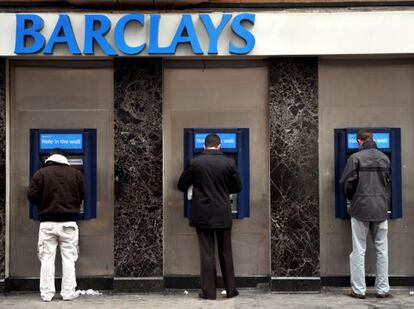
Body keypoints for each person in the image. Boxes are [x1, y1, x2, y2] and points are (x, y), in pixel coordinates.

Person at [178, 133, 242, 300]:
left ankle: (209, 292)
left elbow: (181, 184)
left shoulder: (195, 162)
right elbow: (238, 187)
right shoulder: (229, 162)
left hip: (203, 214)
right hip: (223, 212)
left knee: (207, 253)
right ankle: (230, 290)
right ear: (219, 145)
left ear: (204, 146)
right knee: (226, 252)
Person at [27, 148, 85, 302]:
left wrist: (43, 206)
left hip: (47, 223)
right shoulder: (76, 174)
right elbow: (82, 195)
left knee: (46, 259)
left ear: (50, 158)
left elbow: (31, 195)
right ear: (65, 158)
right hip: (69, 223)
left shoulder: (40, 174)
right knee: (69, 259)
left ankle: (46, 294)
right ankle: (68, 293)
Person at [340, 129, 391, 299]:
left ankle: (359, 290)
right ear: (372, 140)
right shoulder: (385, 158)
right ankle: (383, 289)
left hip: (361, 209)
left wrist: (351, 199)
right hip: (381, 210)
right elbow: (388, 183)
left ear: (359, 141)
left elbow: (347, 184)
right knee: (382, 250)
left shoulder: (355, 158)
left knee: (358, 250)